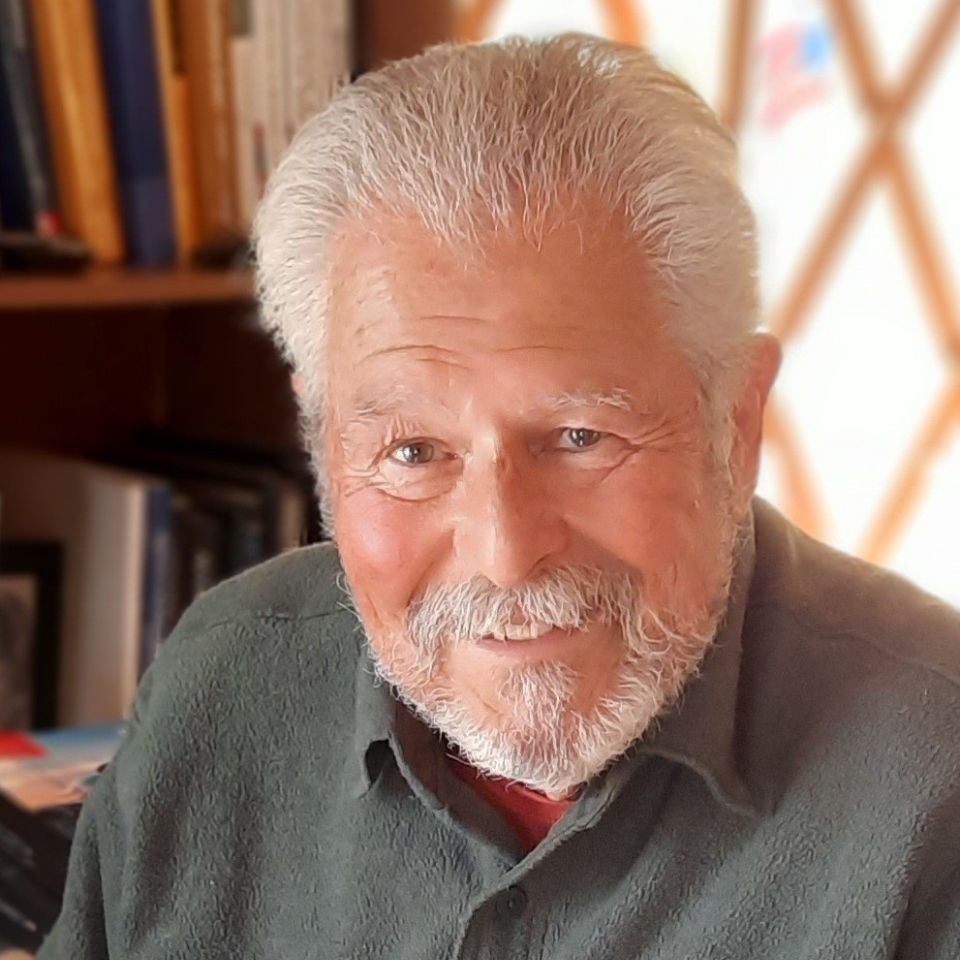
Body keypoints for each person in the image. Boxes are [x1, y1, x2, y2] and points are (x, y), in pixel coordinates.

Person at [40, 34, 959, 959]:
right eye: (412, 451)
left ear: (738, 423)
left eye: (579, 437)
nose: (504, 551)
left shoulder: (934, 779)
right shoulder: (225, 689)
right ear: (322, 442)